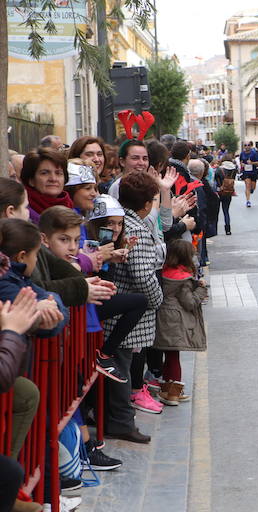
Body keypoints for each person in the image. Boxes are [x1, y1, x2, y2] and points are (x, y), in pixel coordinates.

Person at [102, 171, 164, 440]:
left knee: (120, 366)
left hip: (119, 311)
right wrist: (158, 298)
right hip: (126, 315)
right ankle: (122, 423)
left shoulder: (122, 221)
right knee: (122, 368)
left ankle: (118, 419)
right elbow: (142, 274)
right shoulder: (135, 228)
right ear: (148, 203)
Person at [153, 239, 207, 405]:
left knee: (169, 355)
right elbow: (189, 302)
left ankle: (169, 390)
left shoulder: (163, 272)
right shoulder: (183, 279)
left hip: (162, 316)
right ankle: (174, 394)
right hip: (176, 320)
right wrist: (201, 289)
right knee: (174, 357)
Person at [21, 148, 72, 222]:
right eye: (44, 173)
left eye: (58, 173)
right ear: (31, 180)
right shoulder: (23, 215)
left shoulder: (72, 210)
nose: (53, 179)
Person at [214, 156, 237, 235]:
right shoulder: (234, 169)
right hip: (229, 192)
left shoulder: (219, 169)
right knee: (226, 211)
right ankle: (228, 229)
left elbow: (215, 178)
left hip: (219, 191)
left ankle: (215, 230)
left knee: (216, 212)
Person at [238, 142, 258, 207]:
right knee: (247, 185)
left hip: (253, 172)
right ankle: (248, 201)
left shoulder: (254, 153)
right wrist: (242, 165)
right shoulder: (242, 154)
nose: (247, 146)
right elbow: (241, 162)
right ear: (244, 146)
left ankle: (252, 190)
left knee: (253, 187)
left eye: (248, 145)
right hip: (246, 172)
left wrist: (252, 163)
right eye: (245, 145)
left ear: (250, 146)